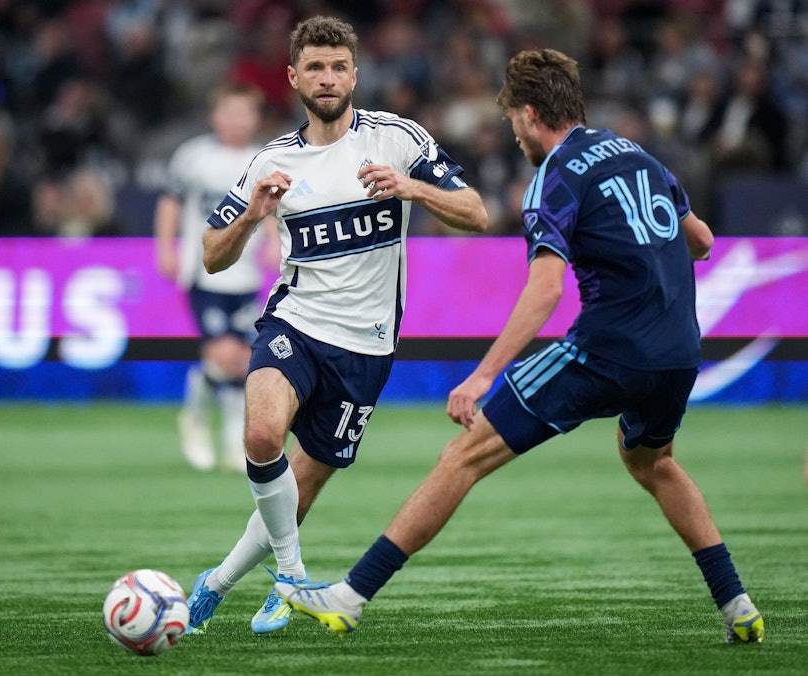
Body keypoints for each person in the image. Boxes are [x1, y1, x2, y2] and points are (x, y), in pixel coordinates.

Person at [277, 48, 765, 645]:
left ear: (531, 115)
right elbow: (703, 241)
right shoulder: (637, 154)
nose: (513, 136)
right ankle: (736, 603)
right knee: (653, 461)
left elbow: (544, 291)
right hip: (679, 353)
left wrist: (482, 376)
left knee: (463, 456)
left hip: (605, 351)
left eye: (512, 123)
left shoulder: (554, 179)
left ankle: (350, 596)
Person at [185, 15, 487, 636]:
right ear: (294, 77)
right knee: (264, 436)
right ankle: (291, 577)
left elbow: (476, 212)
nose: (328, 78)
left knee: (300, 484)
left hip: (368, 347)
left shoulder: (397, 140)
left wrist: (410, 189)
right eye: (315, 67)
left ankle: (216, 582)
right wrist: (252, 216)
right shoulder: (274, 160)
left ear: (356, 73)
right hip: (293, 322)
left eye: (339, 66)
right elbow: (213, 255)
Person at [154, 84, 276, 473]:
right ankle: (195, 417)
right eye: (230, 112)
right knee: (225, 354)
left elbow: (272, 207)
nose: (238, 121)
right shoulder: (194, 157)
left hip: (246, 273)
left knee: (242, 361)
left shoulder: (264, 158)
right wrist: (165, 247)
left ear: (255, 118)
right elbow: (171, 202)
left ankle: (229, 443)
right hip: (204, 270)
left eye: (245, 114)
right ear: (215, 116)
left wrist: (274, 241)